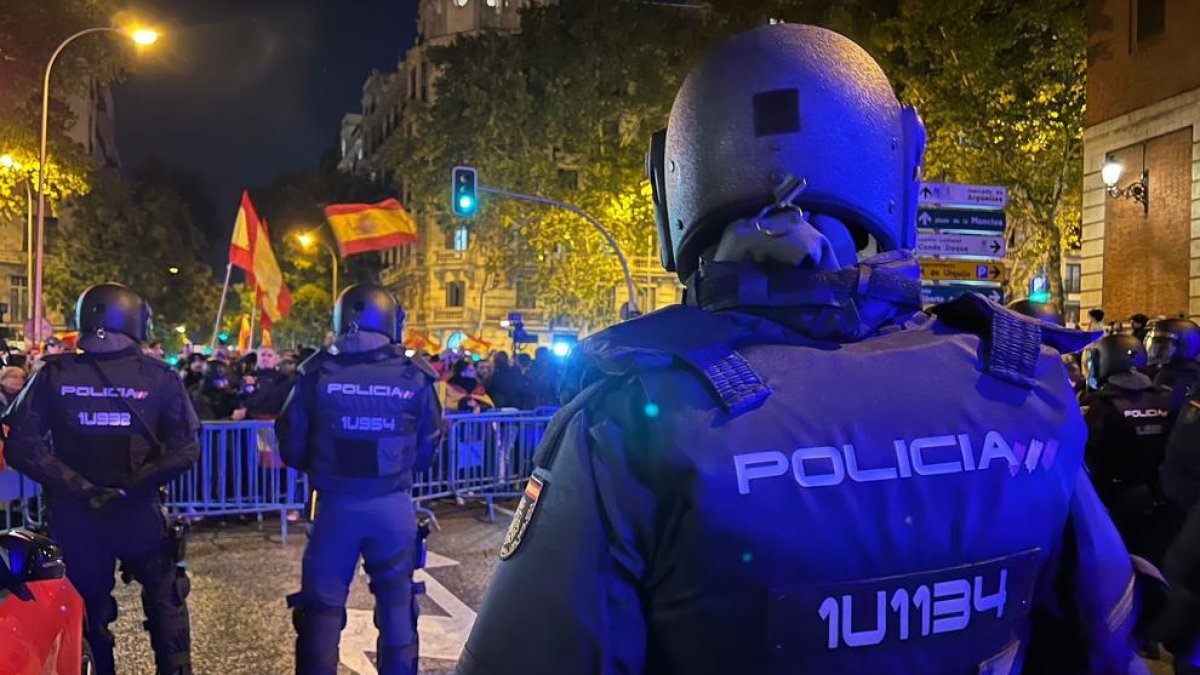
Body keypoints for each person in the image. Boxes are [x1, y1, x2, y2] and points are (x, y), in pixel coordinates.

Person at [458, 24, 1145, 675]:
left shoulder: (630, 423)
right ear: (897, 168)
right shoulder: (1023, 385)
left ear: (677, 187)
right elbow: (1106, 637)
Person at [2, 283, 199, 675]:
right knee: (167, 601)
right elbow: (186, 449)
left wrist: (81, 489)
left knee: (86, 616)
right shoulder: (159, 377)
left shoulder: (54, 373)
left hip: (77, 516)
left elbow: (22, 446)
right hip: (139, 511)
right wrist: (129, 488)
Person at [276, 283, 442, 675]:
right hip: (392, 507)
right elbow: (427, 447)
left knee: (320, 614)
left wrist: (325, 468)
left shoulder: (315, 372)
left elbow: (291, 443)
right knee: (399, 609)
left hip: (334, 507)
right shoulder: (415, 375)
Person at [1082, 334, 1179, 565]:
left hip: (1113, 507)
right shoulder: (1166, 400)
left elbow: (1089, 462)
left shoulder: (1098, 407)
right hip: (1160, 502)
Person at [1146, 318, 1200, 410]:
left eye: (1164, 346)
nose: (1157, 351)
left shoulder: (1191, 376)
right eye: (1156, 345)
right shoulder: (1165, 369)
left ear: (1186, 344)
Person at [242, 346, 291, 419]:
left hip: (275, 422)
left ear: (275, 359)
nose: (265, 358)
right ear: (257, 358)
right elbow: (244, 399)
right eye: (262, 355)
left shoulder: (283, 378)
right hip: (250, 421)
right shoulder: (248, 376)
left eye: (269, 356)